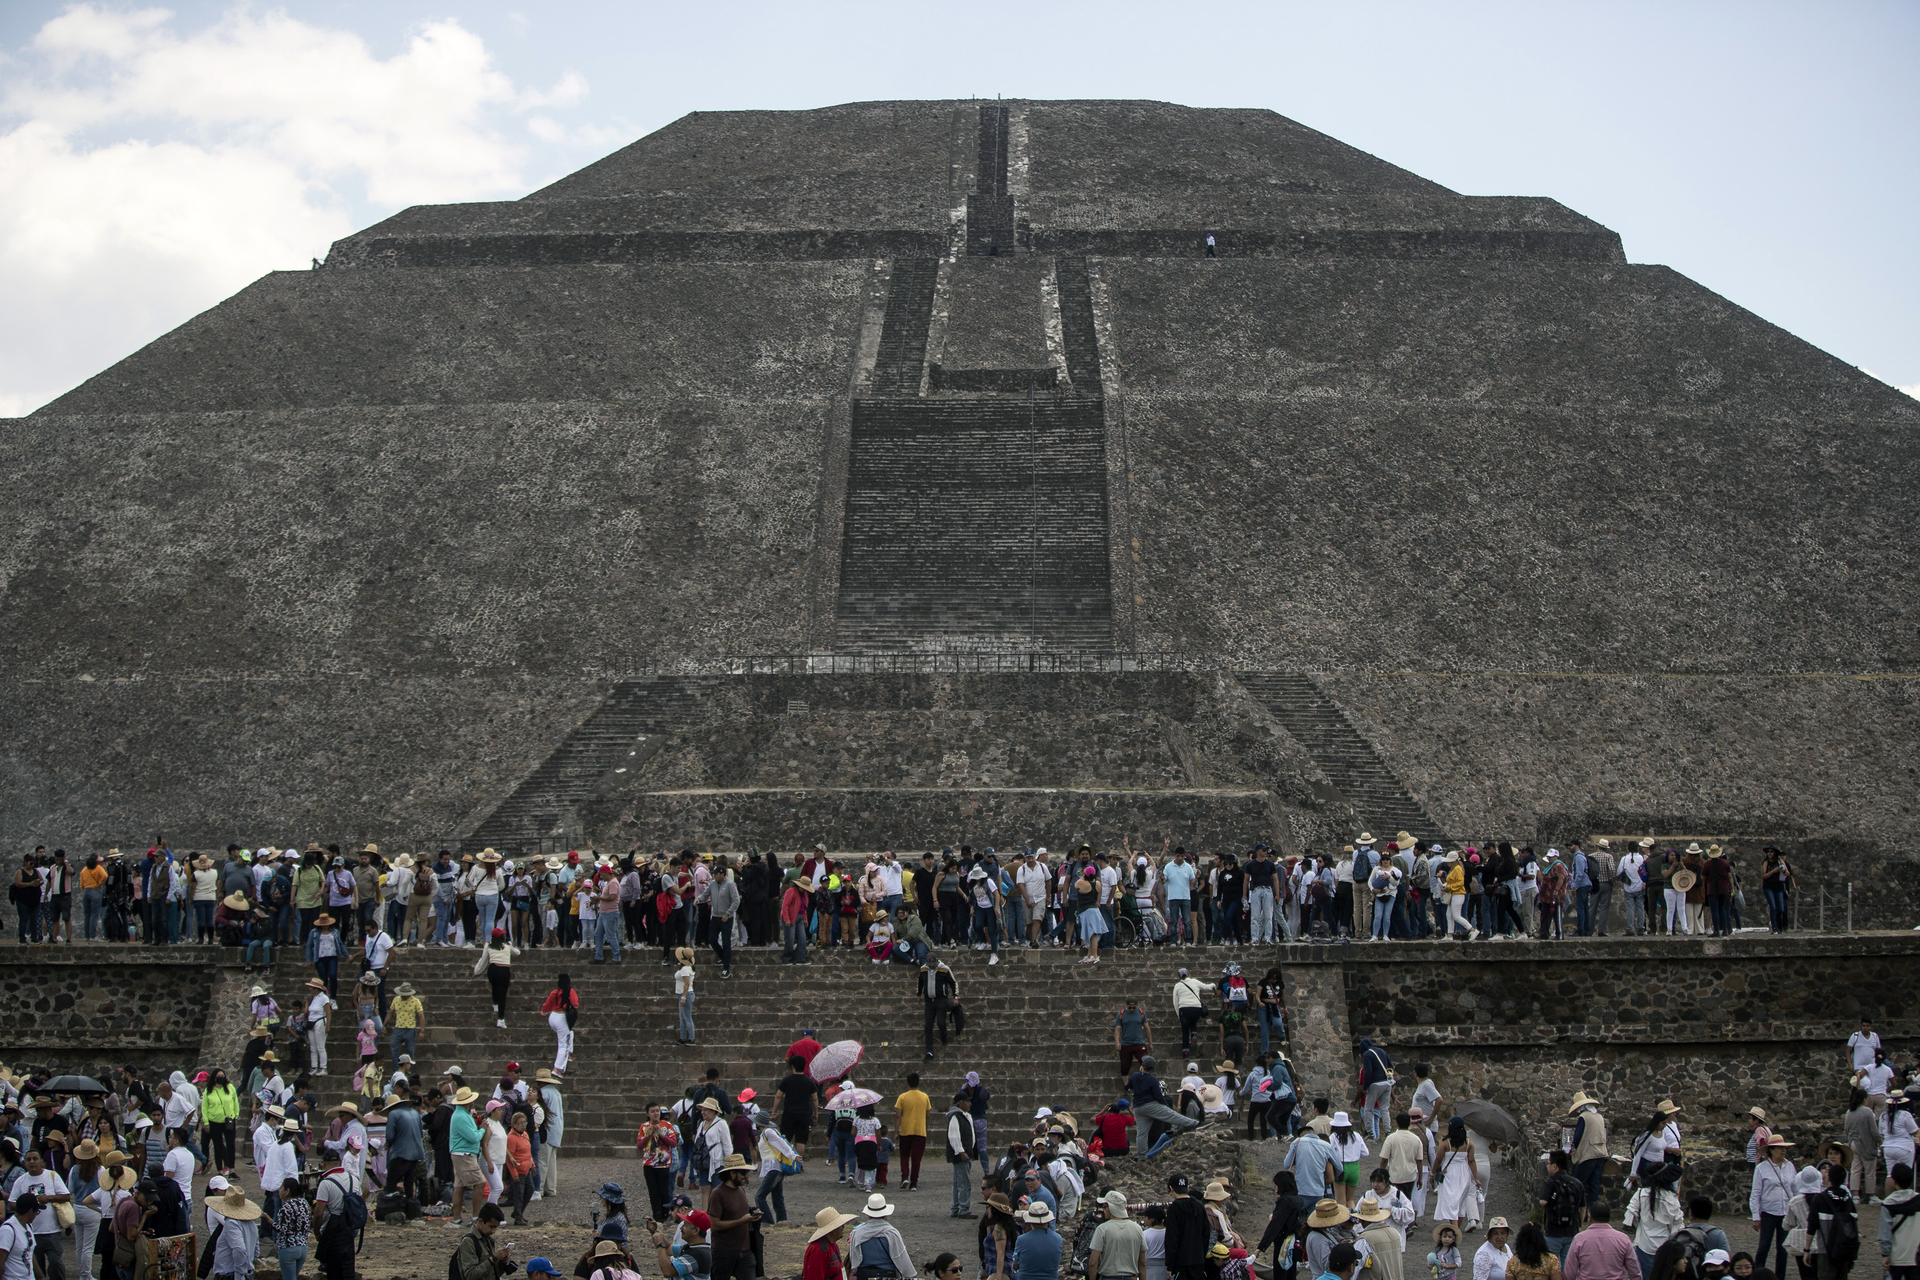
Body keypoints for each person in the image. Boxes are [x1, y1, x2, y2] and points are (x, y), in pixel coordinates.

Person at [704, 1153, 762, 1280]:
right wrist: (741, 1221)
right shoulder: (718, 1194)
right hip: (723, 1252)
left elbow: (739, 1212)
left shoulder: (741, 1191)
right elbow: (713, 1224)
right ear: (732, 1174)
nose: (746, 1176)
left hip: (745, 1251)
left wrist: (752, 1213)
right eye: (743, 1173)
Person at [1749, 1138, 1797, 1279]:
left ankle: (1779, 1277)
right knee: (1764, 1247)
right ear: (1771, 1150)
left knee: (1783, 1249)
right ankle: (1758, 1275)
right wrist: (1756, 1217)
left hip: (1786, 1213)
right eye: (1779, 1148)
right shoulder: (1761, 1168)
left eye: (1784, 1148)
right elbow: (1756, 1193)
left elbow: (1794, 1190)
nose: (1783, 1151)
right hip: (1768, 1212)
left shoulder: (1790, 1166)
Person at [1563, 1202, 1637, 1280]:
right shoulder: (1623, 1239)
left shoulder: (1579, 1239)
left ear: (1590, 1218)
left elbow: (1569, 1272)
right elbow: (1634, 1269)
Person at [847, 1194, 915, 1279]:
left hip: (863, 1275)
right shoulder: (891, 1233)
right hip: (887, 1275)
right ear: (885, 1214)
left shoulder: (858, 1233)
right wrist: (910, 1275)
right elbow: (901, 1258)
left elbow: (854, 1259)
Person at [1542, 1151, 1589, 1265]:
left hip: (1553, 1231)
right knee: (1568, 1266)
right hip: (1571, 1230)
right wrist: (1579, 1226)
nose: (1547, 1167)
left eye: (1548, 1163)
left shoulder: (1550, 1182)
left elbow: (1543, 1202)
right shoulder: (1577, 1183)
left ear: (1555, 1166)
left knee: (1550, 1266)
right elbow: (1583, 1207)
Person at [1090, 1188, 1146, 1280]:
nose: (1103, 1210)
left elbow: (1093, 1262)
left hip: (1108, 1277)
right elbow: (1142, 1262)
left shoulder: (1102, 1229)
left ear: (1110, 1207)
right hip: (1131, 1277)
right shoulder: (1137, 1229)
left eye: (1105, 1207)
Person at [1878, 1161, 1918, 1280]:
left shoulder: (1888, 1204)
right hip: (1915, 1256)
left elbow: (1885, 1234)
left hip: (1895, 1257)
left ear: (1894, 1181)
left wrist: (1886, 1254)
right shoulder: (1918, 1200)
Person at [944, 1091, 976, 1219]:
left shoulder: (964, 1116)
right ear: (960, 1103)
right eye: (967, 1101)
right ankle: (963, 1208)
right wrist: (961, 1151)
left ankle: (956, 1208)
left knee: (959, 1182)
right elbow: (954, 1136)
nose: (970, 1104)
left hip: (966, 1152)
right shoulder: (955, 1117)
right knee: (964, 1182)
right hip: (962, 1154)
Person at [804, 1207, 856, 1280]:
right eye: (840, 1225)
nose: (843, 1227)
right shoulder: (818, 1250)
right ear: (832, 1229)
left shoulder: (832, 1245)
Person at [479, 928, 514, 1029]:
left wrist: (476, 971)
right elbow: (517, 952)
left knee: (495, 987)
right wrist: (511, 945)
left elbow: (483, 961)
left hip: (493, 969)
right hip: (504, 970)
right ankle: (501, 1019)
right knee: (502, 994)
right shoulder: (507, 946)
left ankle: (495, 1005)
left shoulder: (488, 946)